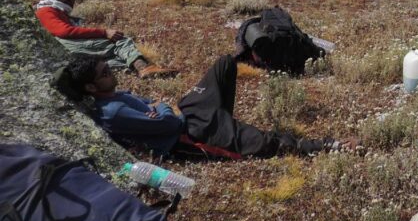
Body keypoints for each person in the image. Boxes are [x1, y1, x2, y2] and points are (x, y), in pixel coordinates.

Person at [63, 53, 338, 158]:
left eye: (108, 68)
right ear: (90, 88)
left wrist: (158, 106)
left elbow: (148, 102)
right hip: (189, 133)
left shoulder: (113, 95)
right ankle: (324, 146)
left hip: (189, 110)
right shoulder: (113, 113)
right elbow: (168, 122)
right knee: (265, 143)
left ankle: (223, 121)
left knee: (224, 64)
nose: (112, 73)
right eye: (104, 74)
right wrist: (163, 108)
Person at [34, 0, 176, 79]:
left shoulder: (52, 8)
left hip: (62, 48)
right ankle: (144, 68)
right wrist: (104, 33)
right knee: (119, 41)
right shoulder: (46, 11)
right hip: (64, 44)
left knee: (108, 58)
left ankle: (133, 69)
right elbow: (65, 32)